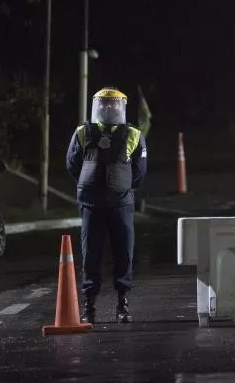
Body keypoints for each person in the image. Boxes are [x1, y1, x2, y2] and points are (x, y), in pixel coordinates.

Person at [66, 87, 147, 324]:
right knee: (91, 253)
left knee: (124, 253)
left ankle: (122, 303)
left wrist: (119, 186)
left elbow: (139, 172)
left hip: (121, 204)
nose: (109, 108)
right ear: (97, 106)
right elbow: (73, 164)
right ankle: (89, 305)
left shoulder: (133, 134)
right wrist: (92, 184)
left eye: (114, 104)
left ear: (121, 106)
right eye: (104, 104)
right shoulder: (83, 132)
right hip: (91, 204)